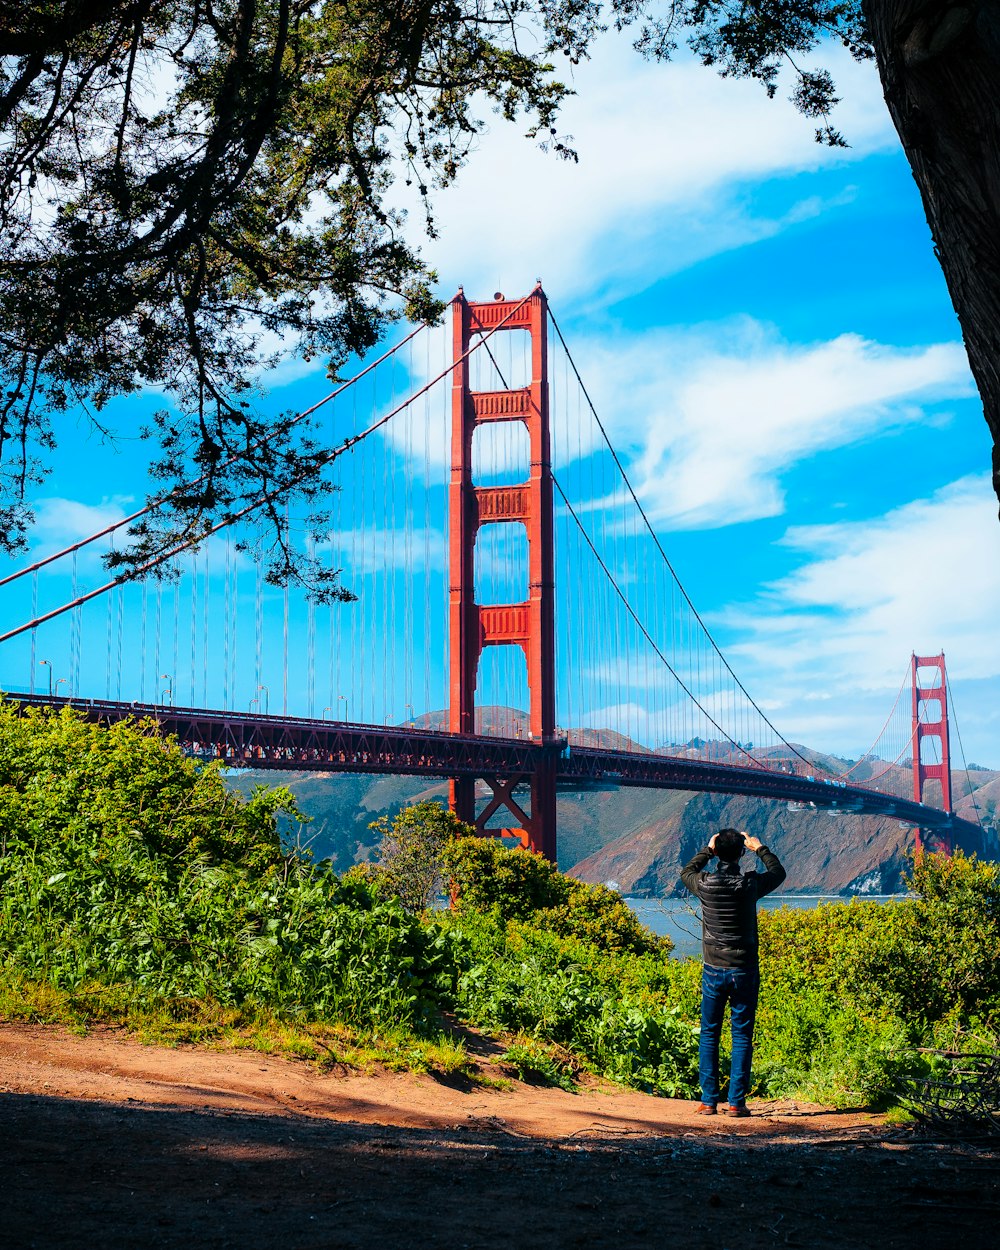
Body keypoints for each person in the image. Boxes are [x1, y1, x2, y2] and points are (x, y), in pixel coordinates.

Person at [680, 827, 786, 1118]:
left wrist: (707, 850)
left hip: (713, 969)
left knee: (709, 1033)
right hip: (744, 969)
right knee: (741, 1035)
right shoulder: (749, 885)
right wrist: (759, 848)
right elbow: (778, 873)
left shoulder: (703, 883)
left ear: (716, 852)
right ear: (741, 853)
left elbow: (686, 870)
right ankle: (736, 1103)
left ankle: (707, 1102)